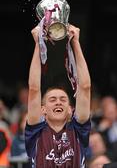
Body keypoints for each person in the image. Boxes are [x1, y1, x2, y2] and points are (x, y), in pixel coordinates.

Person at [25, 24, 91, 168]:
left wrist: (75, 42)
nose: (58, 103)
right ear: (42, 109)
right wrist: (38, 44)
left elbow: (84, 88)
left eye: (63, 100)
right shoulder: (36, 132)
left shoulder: (78, 130)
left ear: (70, 109)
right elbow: (34, 89)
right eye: (52, 100)